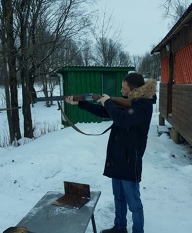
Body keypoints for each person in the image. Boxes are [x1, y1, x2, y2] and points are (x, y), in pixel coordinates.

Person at [65, 73, 156, 233]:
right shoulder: (129, 102)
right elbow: (105, 112)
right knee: (119, 197)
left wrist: (107, 101)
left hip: (130, 160)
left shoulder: (144, 105)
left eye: (124, 88)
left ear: (134, 90)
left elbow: (122, 119)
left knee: (134, 204)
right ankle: (120, 227)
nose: (121, 90)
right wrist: (81, 103)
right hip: (117, 157)